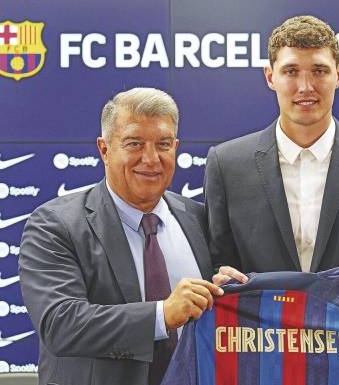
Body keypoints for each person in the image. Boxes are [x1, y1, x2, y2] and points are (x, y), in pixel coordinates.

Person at [19, 87, 223, 385]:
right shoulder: (54, 224)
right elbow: (61, 324)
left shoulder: (199, 218)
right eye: (134, 143)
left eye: (163, 144)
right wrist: (161, 315)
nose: (151, 158)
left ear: (176, 147)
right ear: (104, 149)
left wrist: (227, 287)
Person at [205, 15, 339, 290]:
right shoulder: (226, 164)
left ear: (338, 75)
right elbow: (215, 263)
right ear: (270, 77)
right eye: (291, 71)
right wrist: (218, 278)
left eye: (319, 71)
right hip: (262, 330)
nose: (305, 87)